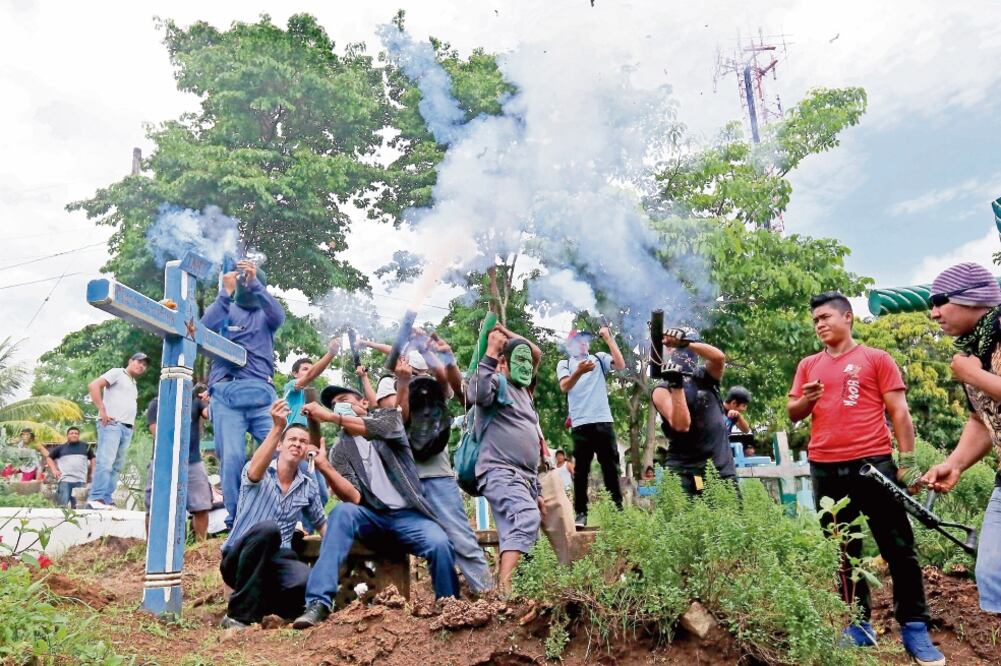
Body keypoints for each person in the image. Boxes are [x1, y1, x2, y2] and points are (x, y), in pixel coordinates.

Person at [787, 292, 943, 665]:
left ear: (848, 317)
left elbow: (900, 412)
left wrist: (906, 461)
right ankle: (858, 625)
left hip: (872, 465)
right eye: (815, 321)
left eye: (826, 317)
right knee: (843, 550)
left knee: (898, 548)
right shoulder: (808, 365)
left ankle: (915, 627)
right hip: (825, 467)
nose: (820, 324)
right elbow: (793, 412)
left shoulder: (876, 359)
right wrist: (807, 400)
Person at [292, 381, 460, 628]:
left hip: (409, 516)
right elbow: (355, 497)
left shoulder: (387, 422)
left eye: (346, 400)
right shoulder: (341, 451)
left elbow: (386, 425)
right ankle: (318, 602)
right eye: (335, 403)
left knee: (439, 543)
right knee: (341, 513)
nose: (340, 405)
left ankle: (450, 607)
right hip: (373, 518)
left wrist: (329, 416)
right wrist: (326, 467)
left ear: (364, 403)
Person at [219, 399, 358, 629]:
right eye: (292, 439)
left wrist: (346, 544)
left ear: (306, 452)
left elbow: (322, 525)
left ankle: (265, 607)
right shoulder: (260, 471)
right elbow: (254, 471)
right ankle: (237, 617)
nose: (297, 444)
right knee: (269, 530)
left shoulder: (307, 486)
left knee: (305, 582)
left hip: (277, 560)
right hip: (240, 558)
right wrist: (277, 427)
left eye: (303, 442)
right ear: (279, 446)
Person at [922, 263, 1001, 615]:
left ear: (973, 298)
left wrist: (973, 374)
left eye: (941, 300)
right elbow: (981, 419)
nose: (933, 312)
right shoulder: (972, 349)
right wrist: (954, 464)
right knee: (993, 576)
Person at [201, 260, 285, 528]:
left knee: (287, 452)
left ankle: (295, 515)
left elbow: (278, 316)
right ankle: (238, 520)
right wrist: (224, 294)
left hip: (262, 395)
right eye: (244, 282)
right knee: (233, 459)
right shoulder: (226, 309)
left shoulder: (266, 314)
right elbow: (203, 328)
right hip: (227, 393)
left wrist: (255, 284)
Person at [468, 325, 546, 595]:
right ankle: (505, 591)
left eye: (527, 362)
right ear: (503, 362)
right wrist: (491, 351)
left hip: (525, 478)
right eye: (518, 360)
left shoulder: (525, 392)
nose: (526, 365)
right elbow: (473, 394)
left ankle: (517, 597)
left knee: (523, 533)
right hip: (500, 472)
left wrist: (504, 330)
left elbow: (536, 353)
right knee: (525, 517)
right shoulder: (496, 382)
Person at [650, 327, 737, 496]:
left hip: (720, 470)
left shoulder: (706, 376)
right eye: (677, 348)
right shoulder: (661, 389)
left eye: (687, 348)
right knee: (682, 521)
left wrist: (685, 343)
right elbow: (681, 425)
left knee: (732, 519)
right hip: (683, 473)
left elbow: (718, 357)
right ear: (669, 350)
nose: (683, 353)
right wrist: (677, 385)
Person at [557, 326, 626, 525]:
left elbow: (620, 365)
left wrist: (609, 339)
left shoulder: (599, 358)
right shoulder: (565, 363)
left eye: (586, 340)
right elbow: (564, 386)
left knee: (611, 468)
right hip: (580, 424)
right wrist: (578, 372)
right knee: (580, 472)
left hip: (603, 420)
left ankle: (618, 511)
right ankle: (581, 514)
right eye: (579, 341)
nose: (584, 344)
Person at [144, 384, 213, 540]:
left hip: (193, 461)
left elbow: (209, 413)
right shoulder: (158, 402)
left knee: (201, 506)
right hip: (163, 462)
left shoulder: (195, 401)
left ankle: (200, 546)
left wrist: (212, 399)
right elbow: (156, 431)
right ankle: (151, 547)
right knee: (154, 507)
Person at [86, 352, 149, 509]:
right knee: (105, 462)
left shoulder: (133, 383)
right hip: (112, 425)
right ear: (130, 361)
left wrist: (131, 425)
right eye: (139, 362)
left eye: (144, 365)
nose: (142, 366)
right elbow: (93, 385)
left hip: (126, 428)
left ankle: (106, 498)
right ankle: (96, 497)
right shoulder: (117, 372)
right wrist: (102, 410)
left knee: (116, 466)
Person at [45, 427, 94, 508]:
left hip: (80, 481)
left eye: (76, 433)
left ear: (79, 435)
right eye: (71, 433)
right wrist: (54, 469)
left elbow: (93, 458)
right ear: (67, 435)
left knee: (80, 507)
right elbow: (49, 458)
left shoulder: (85, 446)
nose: (74, 435)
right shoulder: (60, 448)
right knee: (61, 506)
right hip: (65, 481)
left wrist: (93, 471)